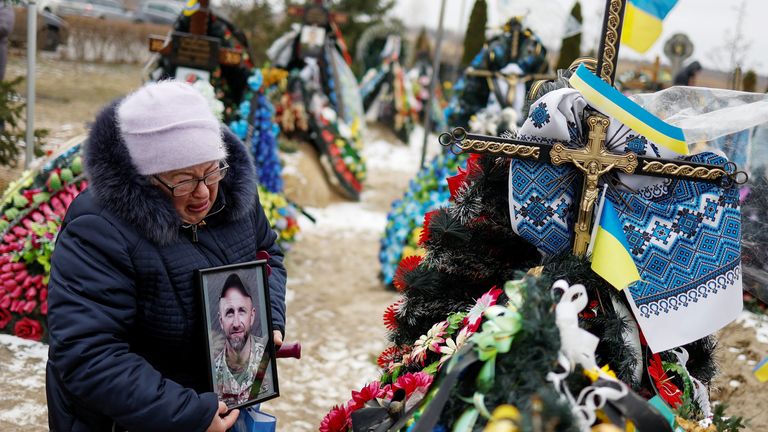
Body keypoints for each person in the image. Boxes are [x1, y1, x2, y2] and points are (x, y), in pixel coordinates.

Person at [45, 80, 287, 432]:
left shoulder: (233, 194)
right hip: (129, 419)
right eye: (183, 180)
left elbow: (268, 256)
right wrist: (189, 414)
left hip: (222, 405)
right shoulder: (98, 227)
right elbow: (89, 354)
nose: (203, 193)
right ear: (147, 178)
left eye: (211, 171)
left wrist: (270, 316)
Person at [214, 273, 270, 406]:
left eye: (242, 311)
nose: (236, 323)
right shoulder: (213, 373)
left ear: (252, 316)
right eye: (229, 312)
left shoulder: (268, 359)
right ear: (221, 321)